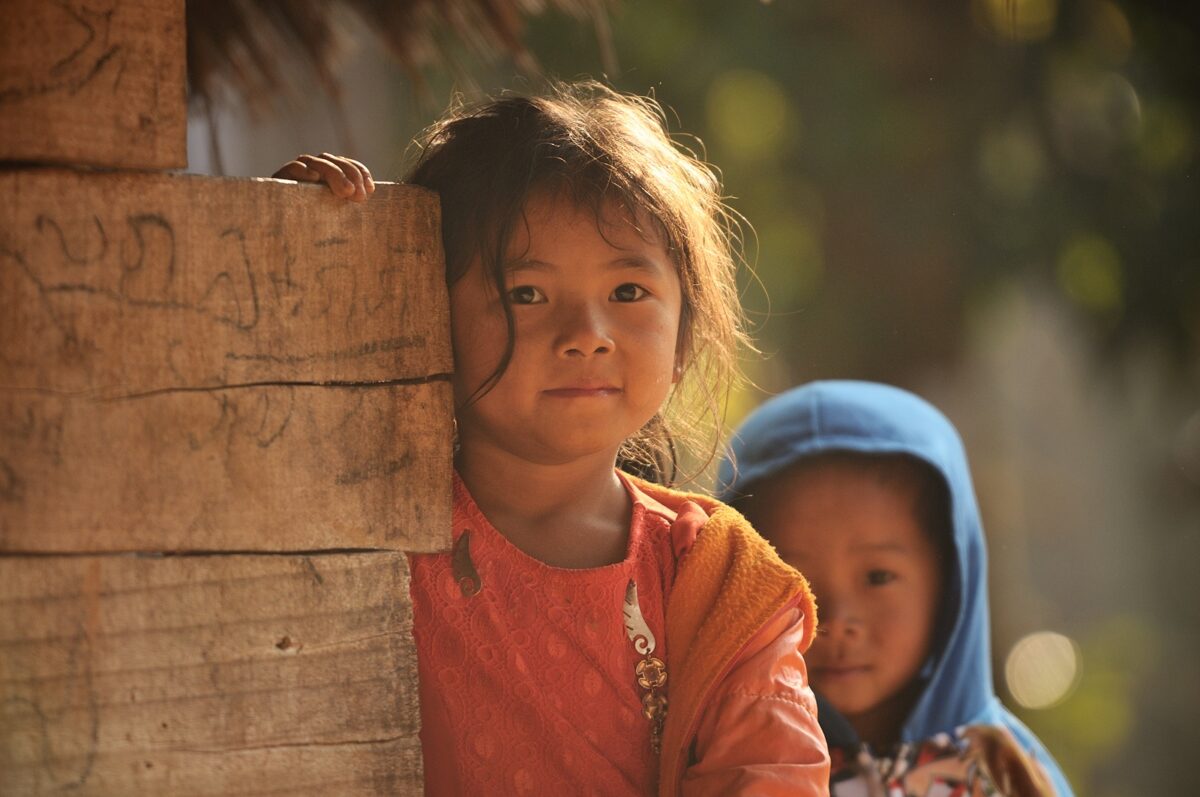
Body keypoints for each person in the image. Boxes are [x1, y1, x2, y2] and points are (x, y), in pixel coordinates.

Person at [274, 82, 829, 796]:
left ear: (683, 337)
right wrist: (292, 248)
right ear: (423, 309)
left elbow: (773, 774)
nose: (585, 337)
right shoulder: (357, 528)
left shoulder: (715, 583)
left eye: (628, 292)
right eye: (526, 294)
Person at [716, 380, 1073, 796]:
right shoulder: (731, 765)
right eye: (796, 584)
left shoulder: (1005, 772)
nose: (836, 620)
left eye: (878, 577)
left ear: (950, 582)